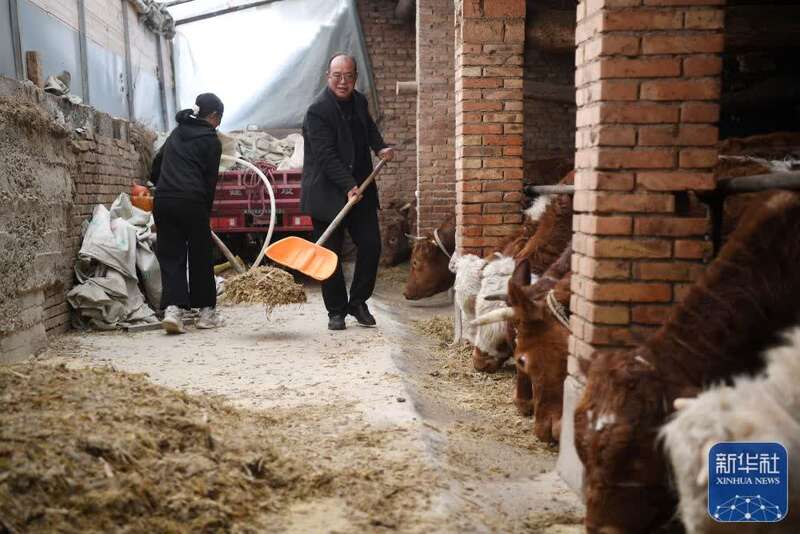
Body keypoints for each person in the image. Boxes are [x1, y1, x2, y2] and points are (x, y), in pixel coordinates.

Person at [301, 53, 395, 331]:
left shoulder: (360, 101)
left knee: (371, 245)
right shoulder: (317, 111)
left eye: (349, 76)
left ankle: (358, 302)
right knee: (330, 254)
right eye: (337, 76)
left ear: (355, 77)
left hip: (360, 190)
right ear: (328, 77)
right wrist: (347, 184)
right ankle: (336, 311)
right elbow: (325, 155)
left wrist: (380, 148)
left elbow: (369, 130)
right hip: (328, 191)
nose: (343, 81)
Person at [151, 93, 224, 334]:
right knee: (200, 255)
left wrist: (163, 185)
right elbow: (209, 180)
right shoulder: (211, 140)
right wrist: (206, 211)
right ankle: (205, 313)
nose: (218, 125)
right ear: (213, 116)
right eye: (219, 119)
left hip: (164, 199)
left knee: (171, 254)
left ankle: (174, 310)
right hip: (192, 200)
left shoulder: (177, 133)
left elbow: (156, 165)